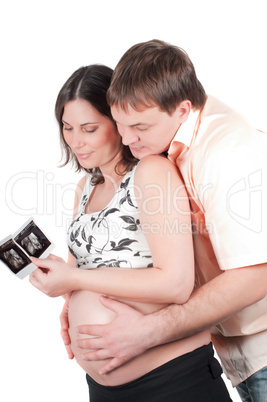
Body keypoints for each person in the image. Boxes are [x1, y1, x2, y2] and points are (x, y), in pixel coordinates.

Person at [67, 41, 267, 402]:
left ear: (183, 109)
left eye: (139, 126)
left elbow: (255, 277)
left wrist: (148, 332)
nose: (127, 139)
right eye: (120, 124)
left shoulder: (227, 153)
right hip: (234, 349)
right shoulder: (164, 146)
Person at [29, 64, 232, 401]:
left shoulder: (151, 173)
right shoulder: (85, 187)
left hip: (173, 381)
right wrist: (66, 293)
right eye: (67, 128)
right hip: (104, 389)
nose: (76, 141)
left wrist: (76, 281)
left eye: (90, 128)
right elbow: (82, 273)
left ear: (118, 123)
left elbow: (175, 284)